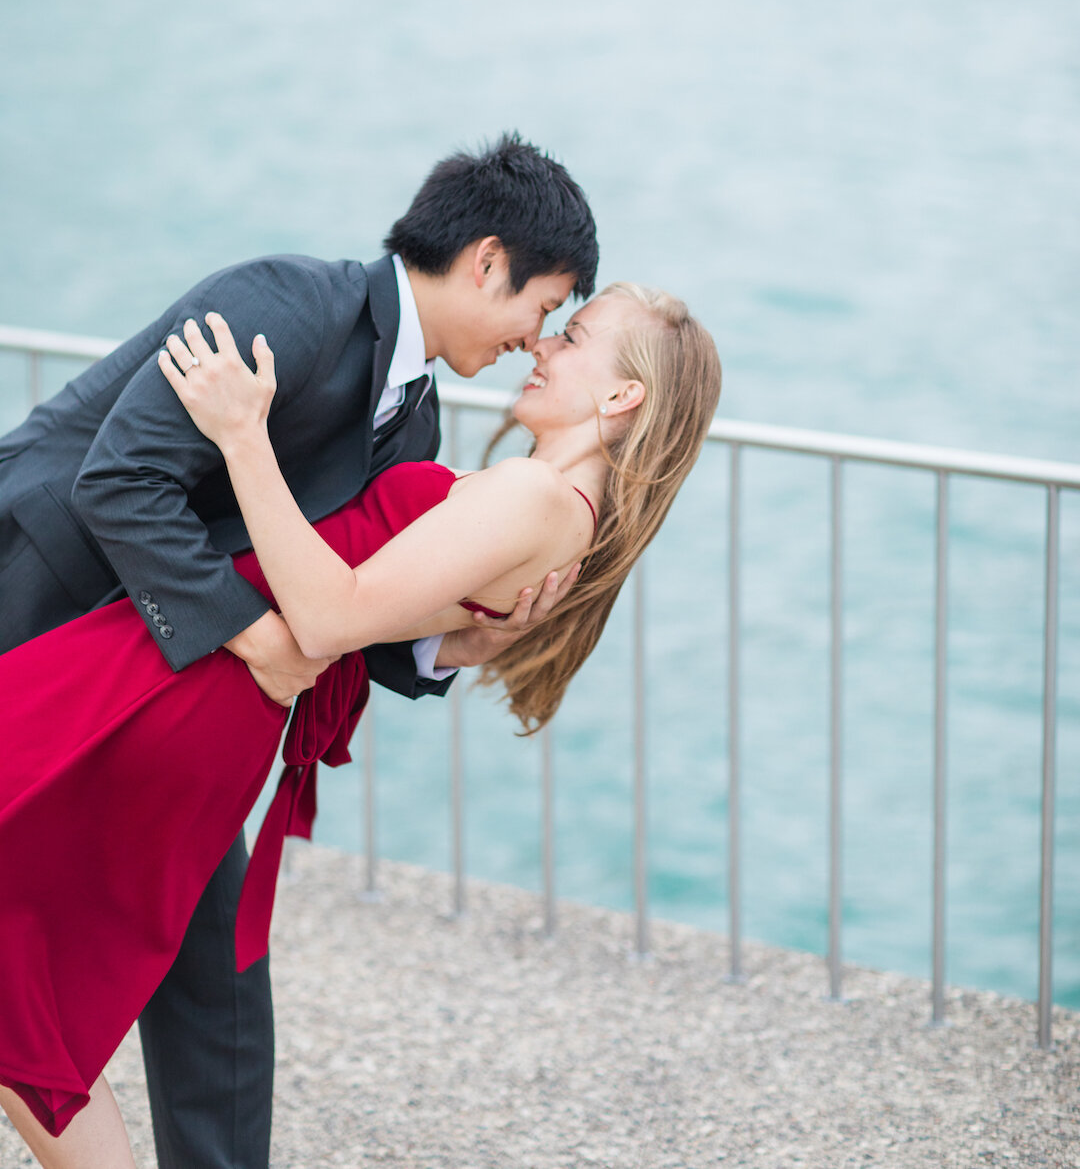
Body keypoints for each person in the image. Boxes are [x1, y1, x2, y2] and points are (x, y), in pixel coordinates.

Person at [0, 279, 721, 1169]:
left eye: (571, 337)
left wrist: (242, 436)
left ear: (623, 397)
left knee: (18, 983)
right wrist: (458, 640)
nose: (542, 346)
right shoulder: (540, 499)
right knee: (14, 987)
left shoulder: (537, 499)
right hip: (193, 675)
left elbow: (333, 616)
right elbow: (380, 597)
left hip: (192, 686)